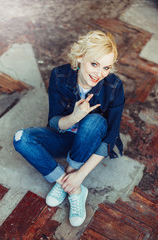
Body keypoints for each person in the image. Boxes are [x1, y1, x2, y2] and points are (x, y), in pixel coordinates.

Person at [13, 30, 125, 227]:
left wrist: (80, 175)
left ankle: (72, 178)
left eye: (106, 67)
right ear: (80, 57)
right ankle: (68, 185)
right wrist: (75, 116)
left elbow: (110, 138)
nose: (99, 73)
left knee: (94, 122)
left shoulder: (114, 86)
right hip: (64, 137)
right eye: (94, 64)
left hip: (91, 141)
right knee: (21, 138)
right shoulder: (59, 75)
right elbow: (54, 122)